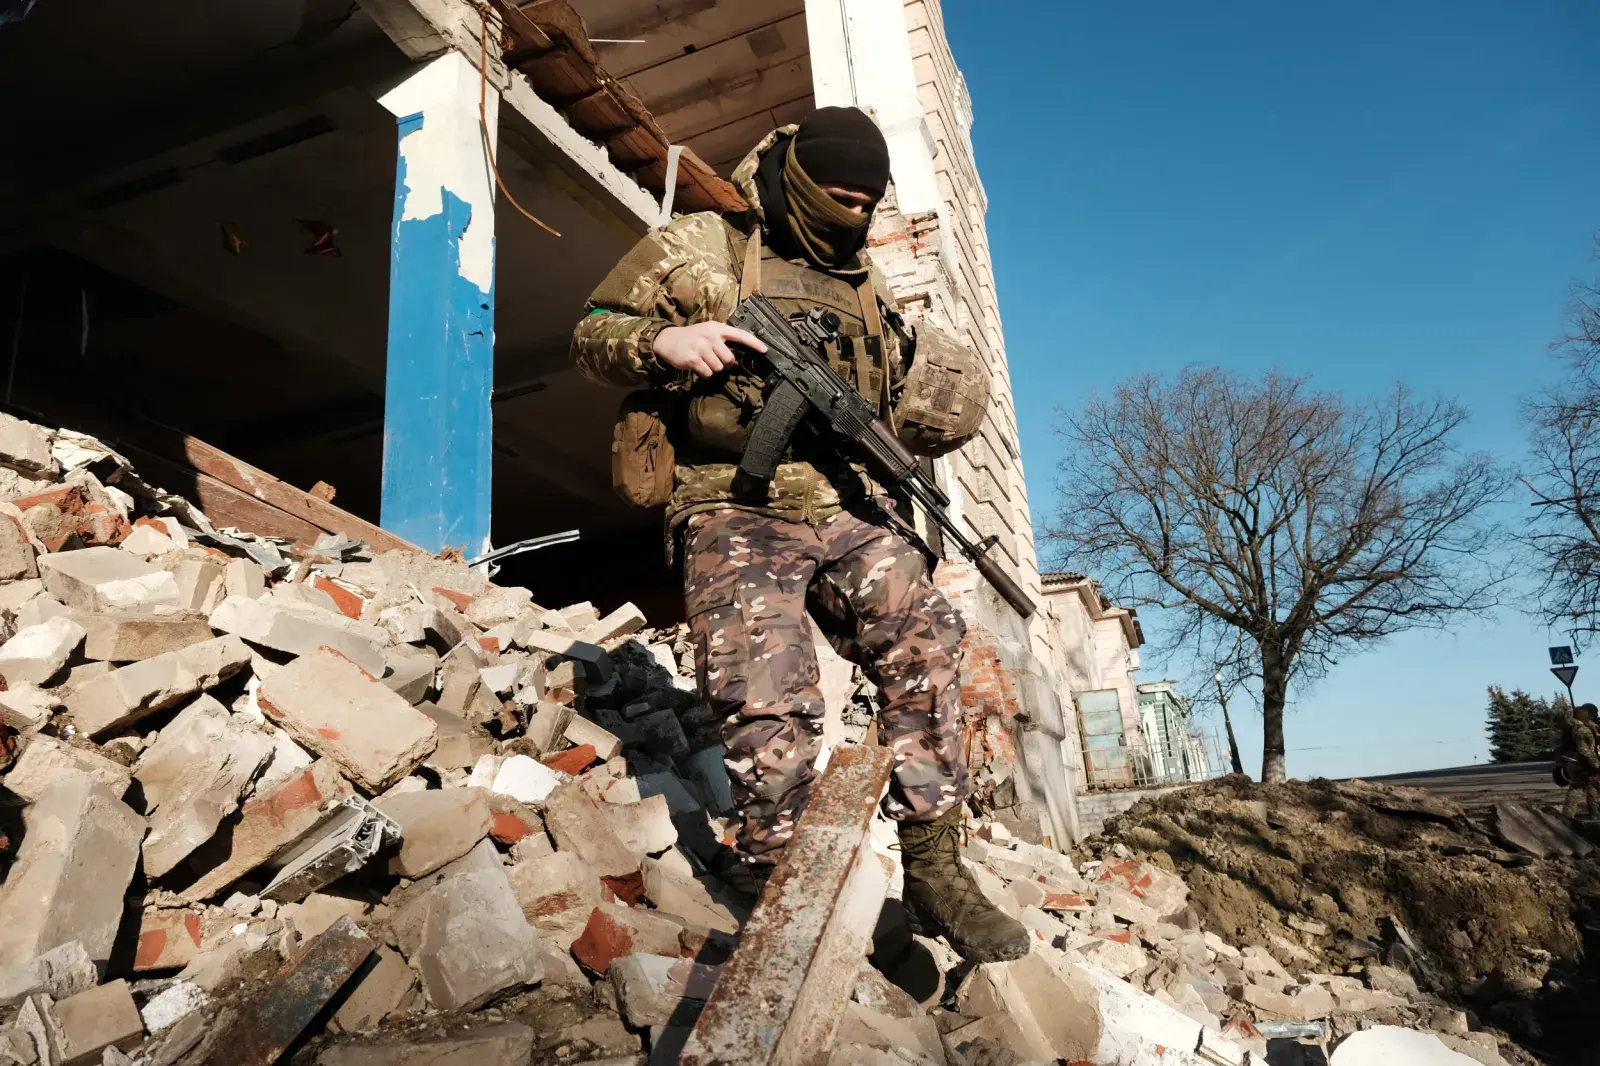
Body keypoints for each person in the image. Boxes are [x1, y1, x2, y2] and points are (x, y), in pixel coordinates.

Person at [571, 107, 1029, 963]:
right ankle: (780, 875)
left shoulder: (863, 281)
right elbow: (590, 333)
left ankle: (935, 867)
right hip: (728, 501)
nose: (849, 216)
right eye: (836, 196)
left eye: (866, 202)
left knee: (927, 635)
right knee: (766, 683)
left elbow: (895, 392)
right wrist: (667, 339)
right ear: (794, 176)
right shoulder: (704, 244)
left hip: (843, 503)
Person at [1562, 702, 1599, 819]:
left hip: (1573, 762)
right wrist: (1595, 763)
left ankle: (1594, 814)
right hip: (1583, 764)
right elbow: (1584, 750)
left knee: (1592, 787)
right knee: (1577, 790)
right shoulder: (1582, 730)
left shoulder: (1570, 728)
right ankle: (1567, 817)